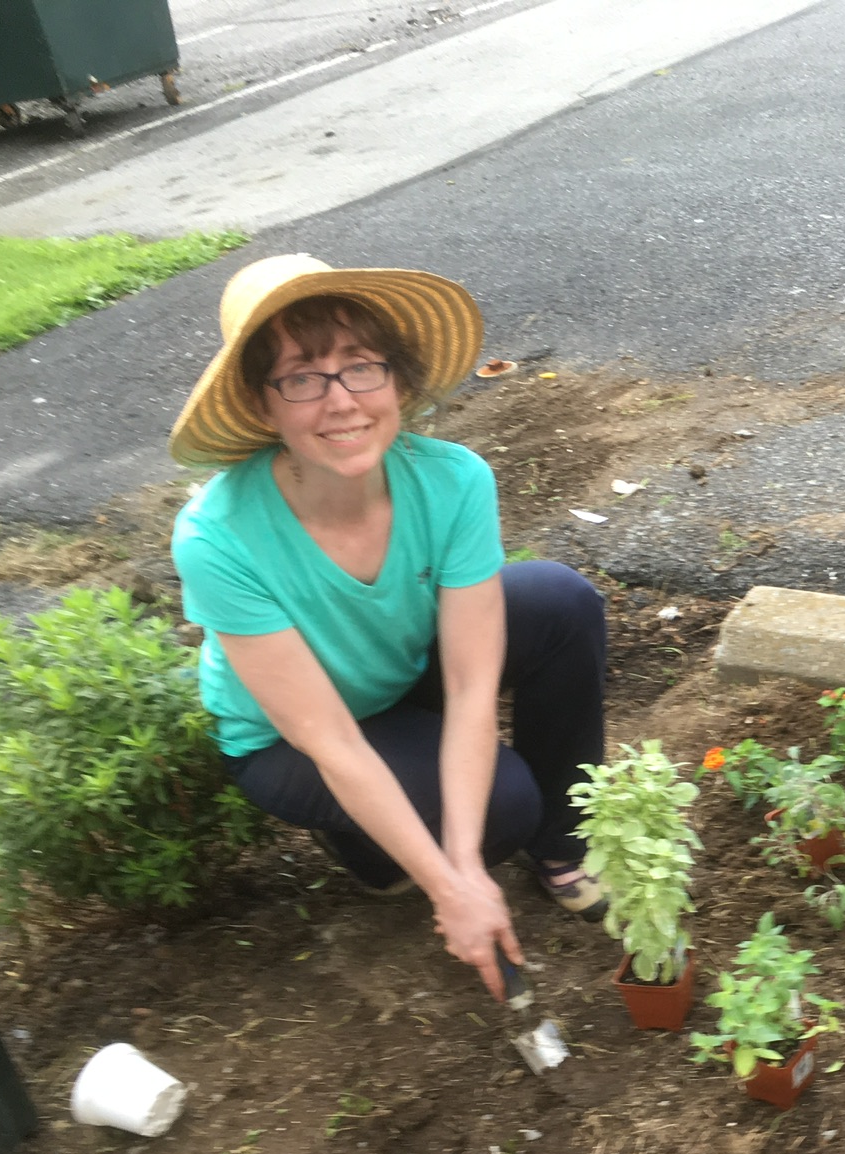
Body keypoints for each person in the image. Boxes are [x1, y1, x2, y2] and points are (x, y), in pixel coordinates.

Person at [168, 254, 608, 1000]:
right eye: (301, 377)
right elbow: (330, 738)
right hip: (292, 737)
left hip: (393, 675)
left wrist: (464, 868)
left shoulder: (453, 479)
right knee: (500, 804)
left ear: (397, 378)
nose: (340, 401)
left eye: (360, 367)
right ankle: (371, 854)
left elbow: (471, 686)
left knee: (558, 602)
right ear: (262, 403)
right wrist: (447, 887)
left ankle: (560, 847)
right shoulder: (218, 536)